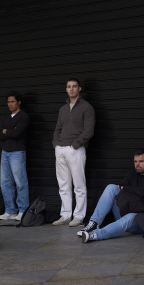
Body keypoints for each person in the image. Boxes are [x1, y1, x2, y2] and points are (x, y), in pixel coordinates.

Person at [78, 149, 144, 243]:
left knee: (131, 216)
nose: (137, 164)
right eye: (135, 161)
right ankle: (94, 223)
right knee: (111, 187)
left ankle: (95, 234)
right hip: (126, 210)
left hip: (143, 219)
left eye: (141, 161)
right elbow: (122, 192)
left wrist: (129, 189)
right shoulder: (131, 175)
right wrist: (141, 196)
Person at [52, 77, 95, 227]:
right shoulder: (63, 109)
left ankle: (78, 216)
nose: (71, 89)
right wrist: (56, 145)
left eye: (74, 86)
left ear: (79, 89)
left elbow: (89, 130)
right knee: (63, 185)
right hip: (61, 150)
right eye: (69, 86)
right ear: (66, 89)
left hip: (75, 150)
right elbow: (57, 129)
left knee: (79, 185)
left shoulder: (87, 107)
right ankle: (65, 215)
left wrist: (75, 145)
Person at [0, 92, 30, 220]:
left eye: (12, 101)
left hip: (17, 152)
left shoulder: (23, 116)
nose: (10, 104)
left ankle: (23, 211)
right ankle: (10, 211)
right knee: (5, 183)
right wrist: (10, 132)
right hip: (5, 153)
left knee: (20, 183)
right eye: (8, 102)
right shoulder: (5, 118)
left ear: (19, 102)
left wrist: (7, 131)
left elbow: (17, 134)